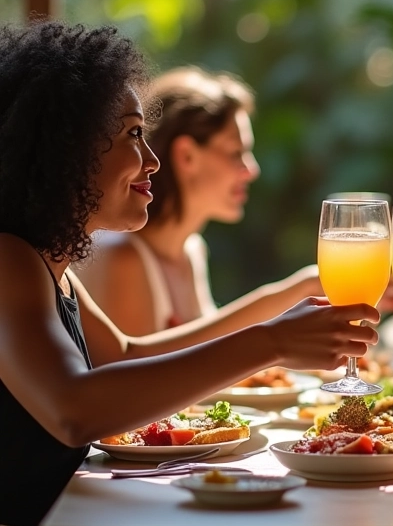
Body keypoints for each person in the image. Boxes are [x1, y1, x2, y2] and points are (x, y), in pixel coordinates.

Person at [0, 20, 378, 526]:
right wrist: (271, 342)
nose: (151, 160)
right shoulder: (7, 258)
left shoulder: (49, 264)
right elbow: (72, 410)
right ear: (64, 147)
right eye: (133, 135)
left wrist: (280, 315)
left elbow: (128, 355)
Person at [78, 66, 321, 336]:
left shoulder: (192, 249)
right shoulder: (121, 256)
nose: (252, 170)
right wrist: (298, 290)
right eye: (236, 153)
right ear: (187, 156)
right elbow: (145, 362)